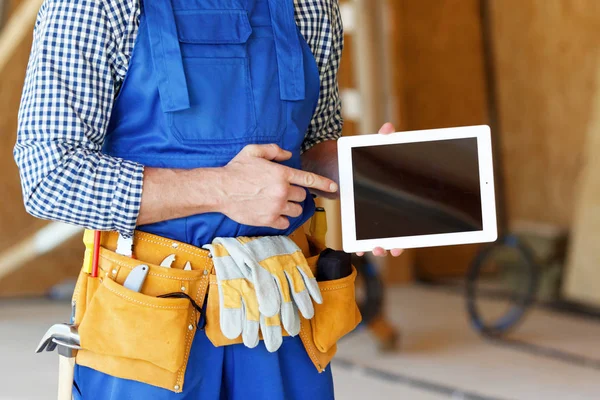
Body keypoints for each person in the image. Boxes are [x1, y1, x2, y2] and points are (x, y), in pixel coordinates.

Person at [15, 0, 402, 398]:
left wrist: (365, 180)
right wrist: (223, 189)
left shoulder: (312, 6)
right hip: (151, 325)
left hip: (282, 312)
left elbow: (309, 145)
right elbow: (49, 176)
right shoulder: (96, 6)